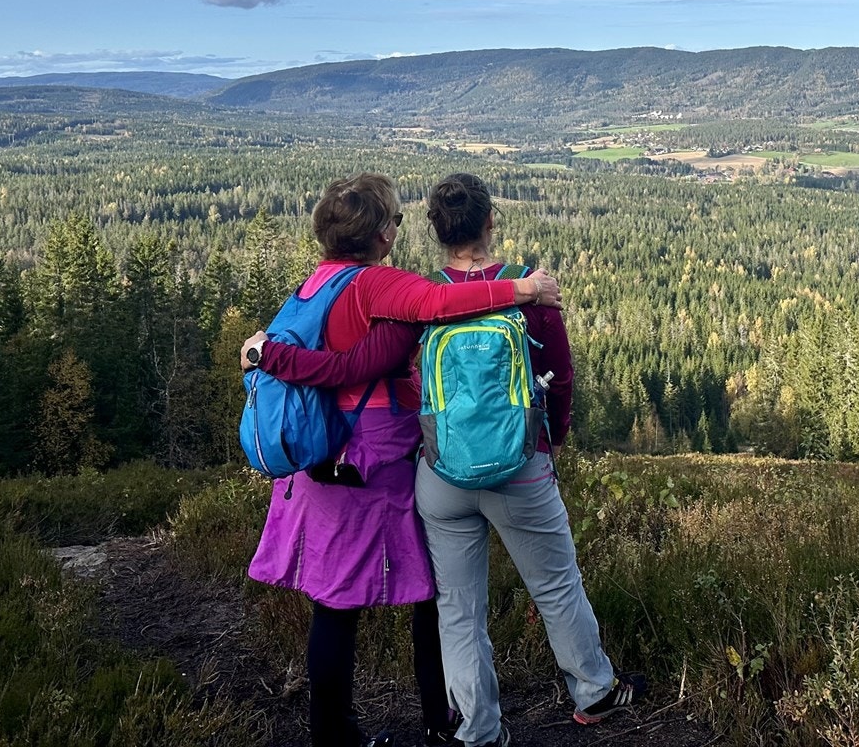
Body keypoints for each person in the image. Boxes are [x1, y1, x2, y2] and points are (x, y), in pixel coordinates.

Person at [243, 172, 561, 747]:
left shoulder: (316, 285)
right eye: (393, 220)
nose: (396, 229)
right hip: (375, 457)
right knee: (430, 591)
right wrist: (521, 291)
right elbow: (436, 303)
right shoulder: (375, 286)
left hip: (321, 458)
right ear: (380, 235)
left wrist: (268, 356)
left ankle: (336, 730)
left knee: (333, 604)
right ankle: (439, 720)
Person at [415, 172, 644, 747]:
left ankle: (479, 730)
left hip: (441, 473)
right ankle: (593, 691)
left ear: (438, 232)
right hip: (520, 467)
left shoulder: (421, 297)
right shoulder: (529, 289)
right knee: (556, 585)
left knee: (459, 610)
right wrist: (556, 435)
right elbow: (560, 375)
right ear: (491, 222)